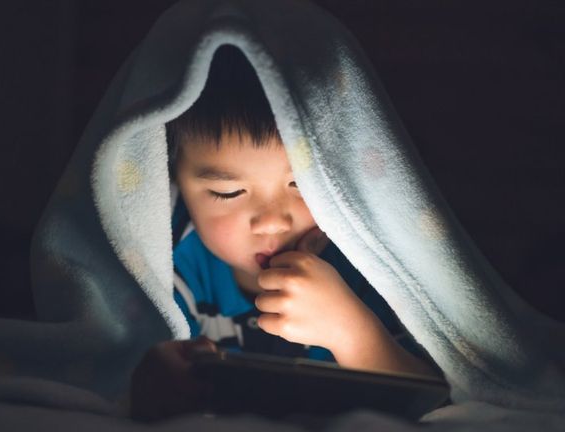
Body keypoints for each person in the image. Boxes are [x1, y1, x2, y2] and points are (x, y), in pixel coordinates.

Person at [128, 45, 437, 420]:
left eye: (303, 185)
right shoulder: (166, 264)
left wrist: (351, 331)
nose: (273, 222)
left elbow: (437, 403)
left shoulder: (373, 263)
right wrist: (149, 376)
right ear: (174, 183)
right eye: (229, 192)